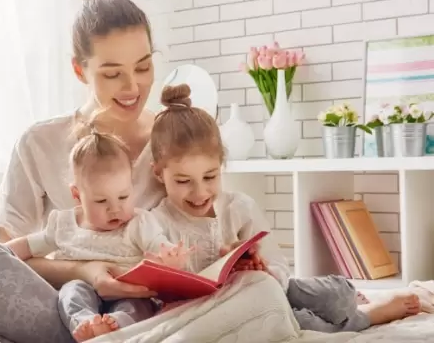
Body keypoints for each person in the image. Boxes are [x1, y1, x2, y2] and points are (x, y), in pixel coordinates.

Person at [0, 0, 171, 343]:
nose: (133, 87)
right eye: (112, 74)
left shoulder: (175, 137)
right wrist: (86, 271)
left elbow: (208, 229)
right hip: (67, 304)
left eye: (144, 67)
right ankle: (97, 335)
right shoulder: (39, 143)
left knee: (262, 286)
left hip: (157, 306)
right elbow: (6, 258)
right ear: (80, 70)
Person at [146, 83, 422, 332]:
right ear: (159, 173)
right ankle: (369, 315)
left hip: (269, 288)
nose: (200, 192)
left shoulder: (239, 207)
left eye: (210, 176)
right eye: (183, 181)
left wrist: (260, 269)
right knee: (296, 323)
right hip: (228, 311)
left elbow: (280, 269)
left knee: (337, 295)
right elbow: (160, 302)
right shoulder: (155, 223)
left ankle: (355, 300)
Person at [5, 116, 190, 342]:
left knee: (138, 306)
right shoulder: (64, 225)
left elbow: (159, 246)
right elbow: (28, 245)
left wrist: (171, 258)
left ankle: (117, 328)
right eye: (101, 201)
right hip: (83, 289)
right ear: (77, 196)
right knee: (70, 293)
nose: (115, 209)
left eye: (123, 196)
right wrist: (1, 252)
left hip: (129, 292)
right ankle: (85, 325)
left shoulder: (139, 223)